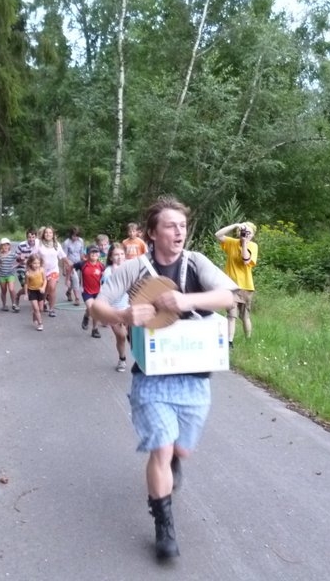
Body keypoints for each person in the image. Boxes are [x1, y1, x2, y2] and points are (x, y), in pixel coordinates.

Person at [91, 197, 237, 560]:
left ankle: (175, 459)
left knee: (180, 449)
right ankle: (164, 526)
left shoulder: (195, 262)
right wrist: (123, 315)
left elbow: (230, 296)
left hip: (194, 377)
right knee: (161, 448)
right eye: (171, 226)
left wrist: (187, 301)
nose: (179, 232)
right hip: (152, 377)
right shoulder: (134, 268)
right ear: (153, 233)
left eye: (182, 226)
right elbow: (96, 306)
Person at [215, 222, 258, 348]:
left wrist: (244, 244)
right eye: (244, 232)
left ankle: (248, 340)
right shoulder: (231, 242)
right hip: (231, 286)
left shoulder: (253, 246)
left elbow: (246, 260)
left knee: (245, 316)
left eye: (249, 233)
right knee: (231, 315)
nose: (246, 234)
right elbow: (218, 235)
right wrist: (235, 225)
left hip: (246, 287)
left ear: (253, 235)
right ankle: (229, 342)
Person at [101, 242, 129, 371]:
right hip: (114, 310)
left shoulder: (130, 267)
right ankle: (122, 359)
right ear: (111, 257)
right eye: (116, 254)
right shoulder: (108, 273)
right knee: (121, 336)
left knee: (135, 337)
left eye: (122, 254)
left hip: (129, 307)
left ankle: (142, 361)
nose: (120, 257)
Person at [32, 226, 67, 317]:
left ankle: (51, 309)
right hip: (41, 271)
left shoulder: (56, 244)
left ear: (53, 234)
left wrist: (70, 264)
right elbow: (33, 256)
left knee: (52, 287)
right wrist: (30, 267)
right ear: (44, 234)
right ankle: (43, 302)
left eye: (50, 233)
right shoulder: (38, 243)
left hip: (53, 270)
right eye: (46, 232)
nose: (48, 234)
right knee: (44, 290)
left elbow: (63, 256)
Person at [74, 245, 105, 338]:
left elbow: (106, 277)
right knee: (93, 309)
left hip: (98, 292)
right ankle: (92, 324)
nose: (94, 254)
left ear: (99, 254)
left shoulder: (101, 266)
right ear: (87, 254)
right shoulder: (82, 264)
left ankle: (93, 327)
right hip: (86, 291)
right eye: (92, 252)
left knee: (94, 310)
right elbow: (71, 267)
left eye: (96, 252)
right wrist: (68, 278)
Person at [13, 228, 37, 312]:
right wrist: (19, 257)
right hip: (22, 268)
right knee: (27, 286)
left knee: (36, 285)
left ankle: (41, 302)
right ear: (27, 237)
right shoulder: (21, 245)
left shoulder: (38, 245)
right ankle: (17, 296)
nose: (31, 239)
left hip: (33, 269)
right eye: (29, 237)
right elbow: (15, 256)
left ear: (36, 237)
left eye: (33, 237)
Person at [63, 226, 85, 306]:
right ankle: (77, 298)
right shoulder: (66, 243)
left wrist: (85, 261)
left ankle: (69, 292)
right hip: (70, 264)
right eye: (74, 236)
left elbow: (81, 253)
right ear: (71, 235)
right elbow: (64, 256)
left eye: (77, 236)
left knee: (75, 281)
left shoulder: (81, 241)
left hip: (78, 263)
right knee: (75, 279)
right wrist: (64, 268)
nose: (75, 237)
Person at [0, 238, 19, 311]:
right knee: (3, 290)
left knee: (11, 289)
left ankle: (14, 304)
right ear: (1, 246)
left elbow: (20, 259)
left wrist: (15, 265)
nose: (5, 247)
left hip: (10, 275)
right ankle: (4, 305)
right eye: (3, 245)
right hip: (2, 275)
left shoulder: (12, 254)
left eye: (7, 245)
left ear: (9, 246)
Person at [25, 254, 47, 331]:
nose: (37, 265)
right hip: (32, 291)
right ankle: (40, 323)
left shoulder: (41, 270)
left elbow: (45, 280)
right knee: (36, 308)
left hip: (40, 291)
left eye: (38, 263)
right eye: (34, 263)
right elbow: (26, 284)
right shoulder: (28, 273)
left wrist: (43, 287)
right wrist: (26, 294)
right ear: (30, 263)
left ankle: (34, 314)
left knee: (41, 309)